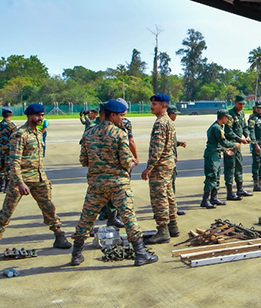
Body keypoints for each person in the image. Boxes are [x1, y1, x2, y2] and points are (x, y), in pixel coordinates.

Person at [70, 99, 157, 267]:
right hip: (118, 184)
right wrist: (132, 162)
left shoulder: (89, 133)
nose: (122, 119)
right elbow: (125, 162)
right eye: (121, 116)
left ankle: (76, 254)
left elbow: (83, 161)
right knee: (129, 217)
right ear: (113, 115)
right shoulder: (120, 134)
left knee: (86, 219)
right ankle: (140, 254)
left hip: (96, 184)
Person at [0, 103, 72, 263]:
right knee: (6, 212)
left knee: (49, 208)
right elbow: (14, 162)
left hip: (39, 179)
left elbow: (37, 159)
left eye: (42, 115)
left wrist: (44, 178)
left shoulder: (38, 133)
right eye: (37, 115)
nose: (40, 118)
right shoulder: (19, 135)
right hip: (21, 180)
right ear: (29, 116)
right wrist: (19, 183)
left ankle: (59, 236)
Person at [141, 94, 178, 244]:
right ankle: (173, 226)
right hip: (168, 164)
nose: (151, 107)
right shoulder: (168, 121)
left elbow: (157, 149)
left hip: (160, 167)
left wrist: (149, 168)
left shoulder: (160, 123)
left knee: (159, 198)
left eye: (154, 104)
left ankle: (163, 231)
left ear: (163, 105)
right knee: (169, 195)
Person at [201, 109, 235, 209]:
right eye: (227, 118)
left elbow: (216, 143)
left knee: (216, 175)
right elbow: (223, 141)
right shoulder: (216, 128)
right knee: (211, 176)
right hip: (212, 155)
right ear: (223, 117)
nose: (227, 120)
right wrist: (234, 144)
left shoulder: (218, 126)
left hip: (215, 154)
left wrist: (224, 150)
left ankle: (214, 198)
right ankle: (205, 199)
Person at [224, 95, 252, 201]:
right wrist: (239, 139)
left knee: (239, 166)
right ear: (235, 102)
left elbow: (244, 126)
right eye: (240, 104)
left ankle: (240, 189)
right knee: (230, 168)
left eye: (243, 104)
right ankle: (229, 192)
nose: (242, 106)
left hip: (238, 145)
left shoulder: (242, 113)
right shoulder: (230, 114)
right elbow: (228, 131)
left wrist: (247, 135)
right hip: (231, 145)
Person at [167, 106, 187, 216]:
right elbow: (163, 145)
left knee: (171, 185)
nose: (176, 116)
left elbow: (171, 142)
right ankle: (165, 209)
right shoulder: (166, 125)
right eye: (175, 114)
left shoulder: (170, 125)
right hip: (167, 162)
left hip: (170, 161)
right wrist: (171, 156)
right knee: (168, 185)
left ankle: (171, 208)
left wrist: (178, 143)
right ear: (171, 114)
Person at [0, 107, 16, 193]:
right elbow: (15, 140)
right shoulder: (12, 126)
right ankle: (7, 187)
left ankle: (1, 186)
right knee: (8, 168)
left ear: (2, 115)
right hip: (9, 151)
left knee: (1, 167)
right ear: (11, 115)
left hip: (1, 150)